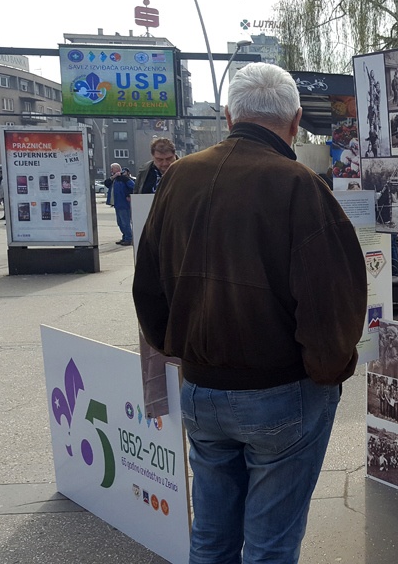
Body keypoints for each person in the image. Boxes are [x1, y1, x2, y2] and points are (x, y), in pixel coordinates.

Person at [132, 63, 367, 564]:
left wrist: (180, 353)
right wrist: (326, 376)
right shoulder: (301, 186)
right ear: (296, 120)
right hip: (279, 395)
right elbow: (332, 304)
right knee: (271, 544)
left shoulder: (178, 180)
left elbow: (147, 287)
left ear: (228, 116)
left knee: (211, 538)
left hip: (202, 390)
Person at [111, 167, 135, 246]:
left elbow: (133, 187)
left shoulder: (124, 179)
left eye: (112, 169)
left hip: (124, 204)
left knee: (125, 223)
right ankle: (125, 237)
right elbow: (106, 183)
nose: (111, 170)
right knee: (120, 223)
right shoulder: (115, 180)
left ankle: (129, 238)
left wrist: (128, 195)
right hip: (117, 204)